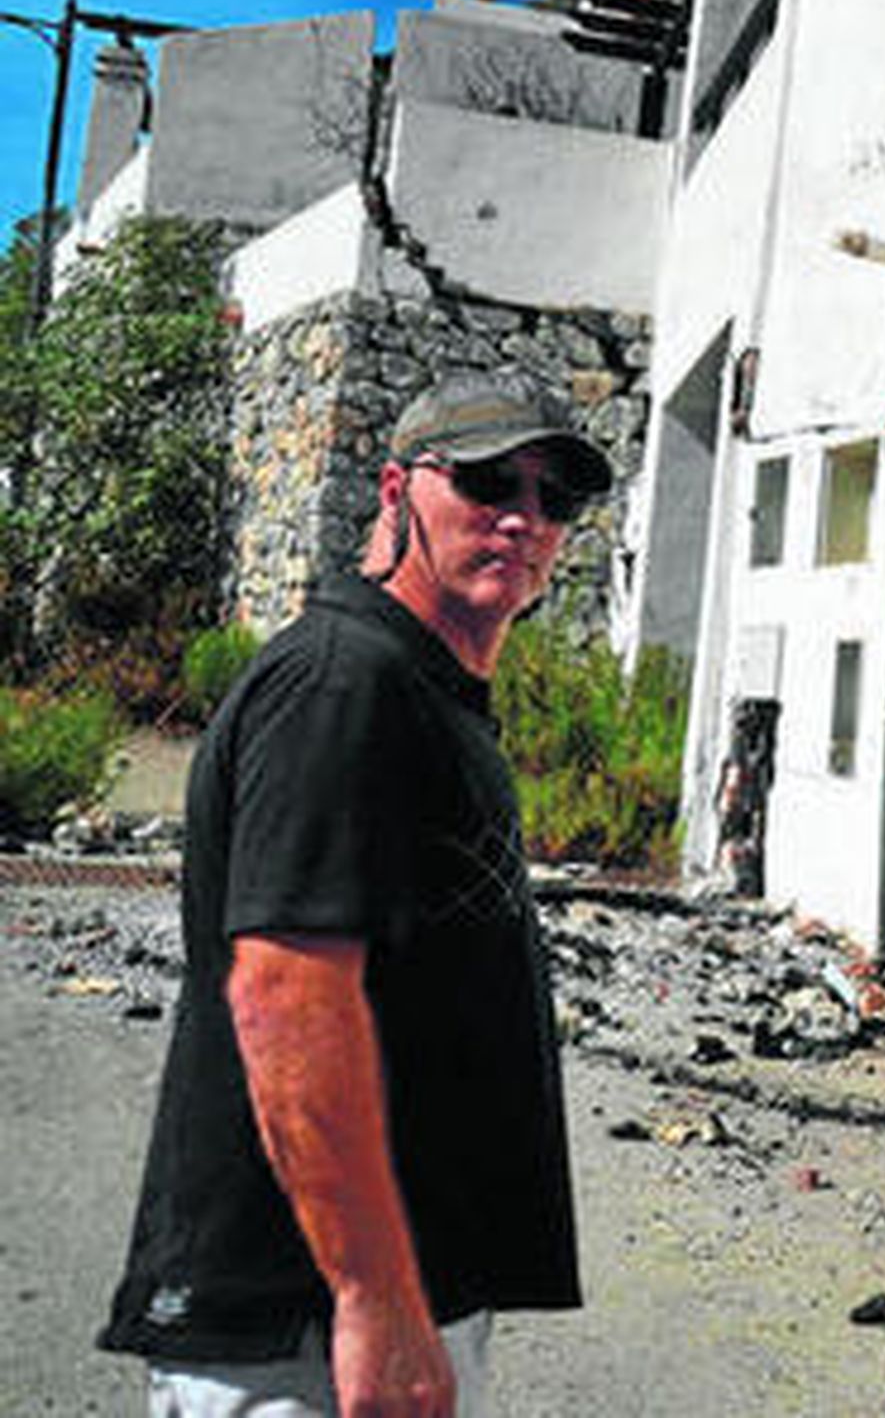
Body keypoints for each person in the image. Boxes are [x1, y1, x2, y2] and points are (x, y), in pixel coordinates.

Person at [99, 370, 612, 1417]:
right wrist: (372, 1299)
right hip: (301, 1322)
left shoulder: (422, 689)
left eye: (553, 497)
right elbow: (287, 998)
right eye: (483, 480)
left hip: (384, 1297)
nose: (521, 516)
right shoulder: (344, 682)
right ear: (394, 491)